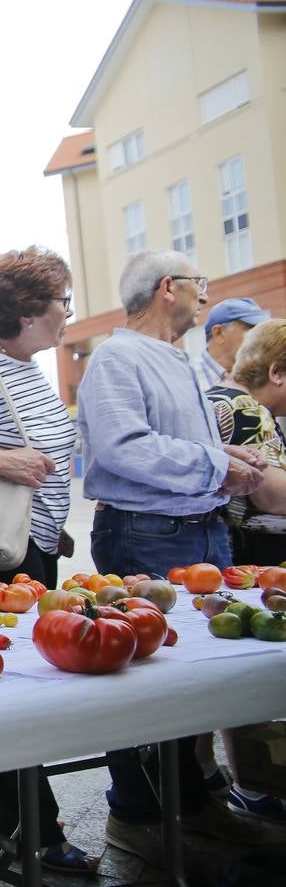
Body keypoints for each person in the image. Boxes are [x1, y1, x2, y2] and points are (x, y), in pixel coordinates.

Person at [77, 248, 271, 866]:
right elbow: (123, 447)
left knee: (196, 683)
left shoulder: (179, 360)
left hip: (197, 532)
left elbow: (187, 449)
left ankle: (194, 805)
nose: (205, 296)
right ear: (169, 288)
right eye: (199, 284)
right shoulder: (116, 356)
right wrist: (220, 464)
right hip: (146, 536)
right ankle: (135, 816)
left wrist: (234, 467)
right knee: (142, 680)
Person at [0, 246, 98, 876]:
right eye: (62, 300)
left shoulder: (29, 366)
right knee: (13, 691)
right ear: (29, 309)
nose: (68, 313)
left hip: (34, 550)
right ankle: (34, 831)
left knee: (7, 683)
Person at [203, 320, 286, 824]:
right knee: (252, 673)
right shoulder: (247, 408)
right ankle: (256, 783)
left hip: (228, 558)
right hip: (252, 559)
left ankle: (240, 782)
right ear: (276, 371)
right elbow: (273, 495)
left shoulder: (213, 396)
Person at [194, 298, 270, 393]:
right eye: (251, 329)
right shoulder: (187, 378)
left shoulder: (265, 376)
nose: (261, 337)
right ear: (219, 333)